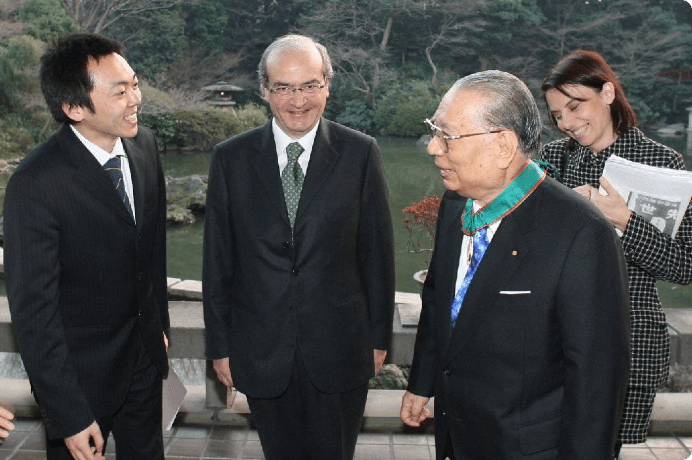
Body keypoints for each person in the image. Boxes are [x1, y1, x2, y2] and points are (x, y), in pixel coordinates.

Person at [400, 70, 631, 460]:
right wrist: (422, 382)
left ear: (503, 145)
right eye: (434, 131)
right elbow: (440, 300)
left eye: (448, 136)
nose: (433, 148)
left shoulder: (581, 233)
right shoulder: (456, 204)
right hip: (456, 434)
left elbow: (595, 383)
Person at [203, 34, 395, 460]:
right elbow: (218, 261)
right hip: (261, 347)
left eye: (309, 85)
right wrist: (219, 346)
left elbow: (377, 256)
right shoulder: (230, 159)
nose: (298, 100)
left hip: (341, 348)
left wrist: (379, 339)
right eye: (284, 87)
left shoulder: (360, 153)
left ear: (327, 84)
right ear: (265, 91)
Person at [4, 32, 169, 460]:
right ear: (74, 107)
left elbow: (151, 254)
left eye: (134, 83)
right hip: (80, 377)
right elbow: (33, 312)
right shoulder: (35, 182)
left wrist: (160, 328)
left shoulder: (145, 146)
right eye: (120, 91)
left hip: (145, 362)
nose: (136, 98)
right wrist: (68, 413)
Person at [539, 49, 692, 458]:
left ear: (607, 92)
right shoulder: (554, 160)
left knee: (602, 449)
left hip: (629, 333)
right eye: (557, 115)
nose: (567, 123)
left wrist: (624, 220)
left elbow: (683, 265)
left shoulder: (662, 162)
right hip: (554, 334)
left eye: (575, 106)